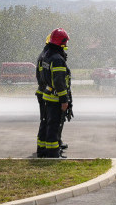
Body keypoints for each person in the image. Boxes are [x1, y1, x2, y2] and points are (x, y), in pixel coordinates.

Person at [35, 28, 71, 158]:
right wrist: (64, 100)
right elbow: (59, 81)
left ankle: (42, 150)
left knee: (45, 124)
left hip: (47, 95)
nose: (66, 44)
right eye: (65, 41)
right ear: (61, 42)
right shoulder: (57, 59)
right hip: (55, 98)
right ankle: (52, 153)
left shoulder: (47, 55)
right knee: (53, 126)